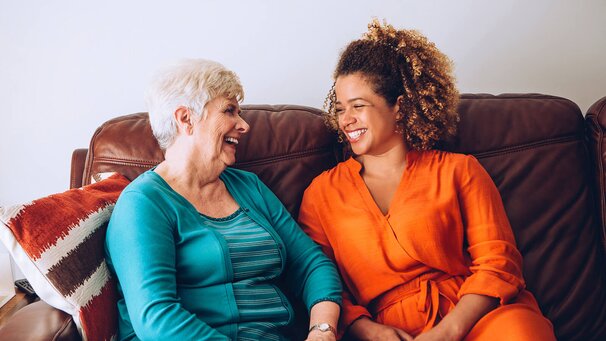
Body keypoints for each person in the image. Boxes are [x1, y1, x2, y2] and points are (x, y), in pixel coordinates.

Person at [298, 20, 556, 341]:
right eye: (340, 108)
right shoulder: (321, 194)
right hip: (386, 333)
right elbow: (320, 282)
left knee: (521, 332)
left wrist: (448, 332)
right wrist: (369, 331)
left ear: (399, 108)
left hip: (473, 318)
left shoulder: (458, 170)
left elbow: (498, 263)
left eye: (358, 106)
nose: (346, 119)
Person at [105, 59, 341, 341]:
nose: (244, 125)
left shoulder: (248, 186)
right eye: (229, 111)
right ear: (185, 119)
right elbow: (156, 317)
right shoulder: (144, 203)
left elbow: (311, 263)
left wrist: (322, 330)